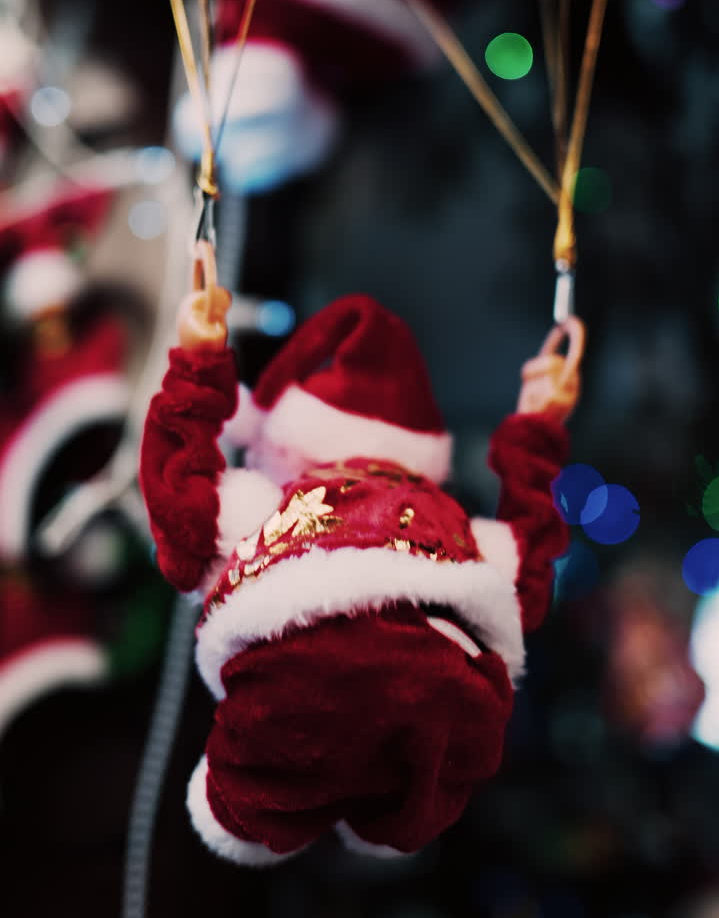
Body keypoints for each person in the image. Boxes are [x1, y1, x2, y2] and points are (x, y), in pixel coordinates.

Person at [140, 243, 584, 864]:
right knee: (431, 766)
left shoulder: (267, 501)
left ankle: (244, 810)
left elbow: (178, 506)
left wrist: (198, 363)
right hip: (447, 674)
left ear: (283, 441)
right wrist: (538, 425)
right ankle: (394, 816)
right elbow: (531, 563)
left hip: (297, 661)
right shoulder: (453, 523)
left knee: (255, 781)